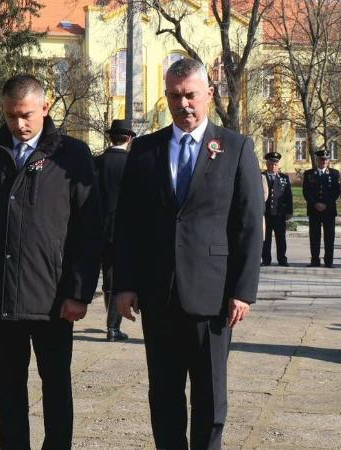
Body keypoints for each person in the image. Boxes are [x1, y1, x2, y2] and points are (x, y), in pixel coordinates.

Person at [113, 59, 263, 450]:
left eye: (191, 95)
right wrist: (124, 284)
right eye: (176, 96)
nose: (184, 105)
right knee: (163, 393)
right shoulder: (145, 150)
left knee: (210, 396)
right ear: (167, 97)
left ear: (208, 95)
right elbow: (128, 223)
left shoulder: (235, 148)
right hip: (158, 292)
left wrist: (243, 291)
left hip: (212, 295)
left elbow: (248, 224)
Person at [0, 74, 101, 449]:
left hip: (54, 299)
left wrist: (80, 292)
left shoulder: (71, 156)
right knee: (8, 393)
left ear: (45, 107)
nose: (19, 125)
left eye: (25, 115)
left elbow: (89, 229)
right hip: (1, 297)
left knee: (56, 389)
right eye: (10, 117)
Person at [95, 118, 135, 342]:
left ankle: (111, 323)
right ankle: (113, 326)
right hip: (124, 230)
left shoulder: (97, 162)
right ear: (129, 138)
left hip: (99, 228)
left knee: (108, 276)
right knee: (119, 278)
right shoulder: (133, 163)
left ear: (111, 137)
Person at [302, 150, 341, 268]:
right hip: (314, 210)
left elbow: (336, 191)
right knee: (314, 236)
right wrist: (315, 204)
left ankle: (329, 261)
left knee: (329, 236)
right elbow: (306, 191)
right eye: (321, 159)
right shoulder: (309, 173)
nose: (323, 161)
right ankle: (315, 260)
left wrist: (325, 204)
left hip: (329, 210)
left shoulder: (334, 174)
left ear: (328, 161)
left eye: (326, 159)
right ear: (317, 160)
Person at [261, 152, 292, 266]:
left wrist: (289, 211)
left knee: (281, 238)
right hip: (266, 213)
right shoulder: (261, 176)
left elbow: (288, 195)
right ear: (267, 164)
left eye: (275, 164)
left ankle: (282, 259)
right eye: (271, 164)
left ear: (278, 165)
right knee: (266, 239)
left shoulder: (284, 178)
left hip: (279, 214)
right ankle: (266, 260)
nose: (273, 166)